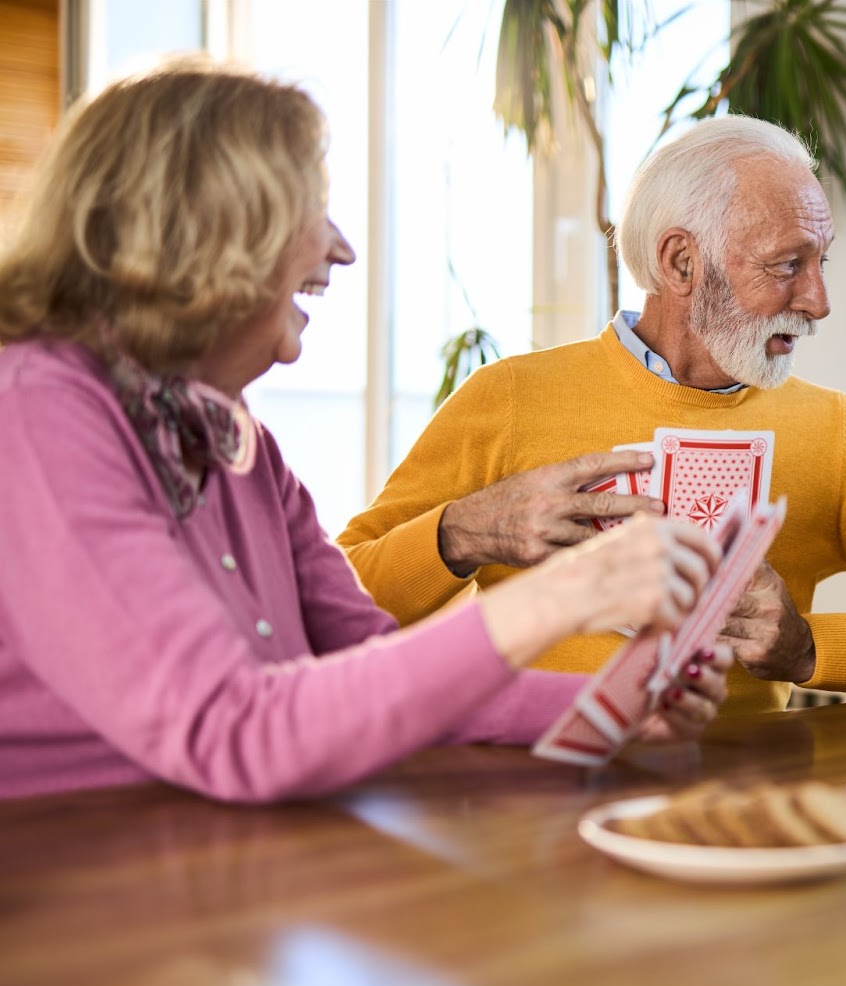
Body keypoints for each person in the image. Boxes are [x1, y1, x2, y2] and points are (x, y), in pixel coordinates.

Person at [0, 60, 733, 804]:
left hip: (229, 871)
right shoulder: (35, 413)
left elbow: (380, 668)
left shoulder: (242, 447)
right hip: (85, 891)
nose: (341, 248)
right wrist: (563, 595)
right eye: (311, 209)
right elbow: (234, 731)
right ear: (208, 230)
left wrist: (613, 705)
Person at [338, 115, 846, 714]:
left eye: (821, 262)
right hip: (531, 797)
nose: (819, 301)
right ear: (679, 262)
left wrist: (811, 647)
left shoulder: (835, 432)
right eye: (788, 264)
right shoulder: (508, 399)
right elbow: (329, 609)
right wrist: (461, 534)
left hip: (731, 812)